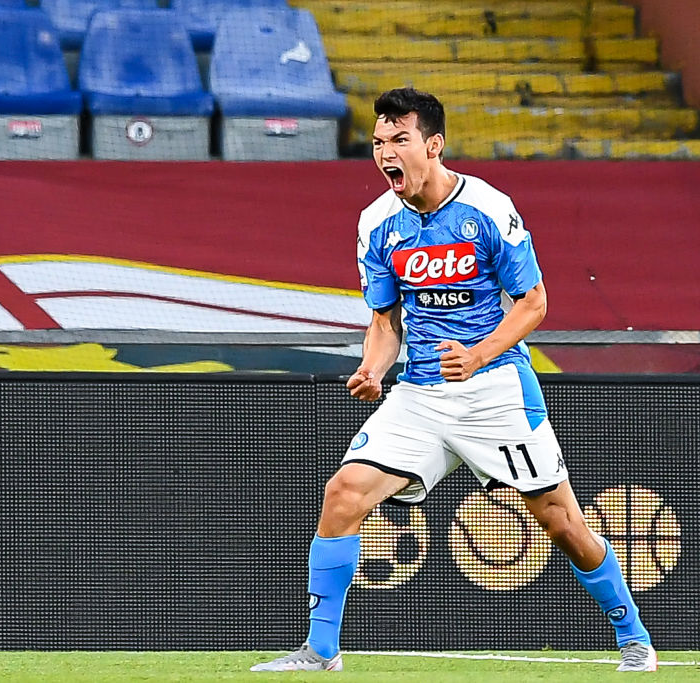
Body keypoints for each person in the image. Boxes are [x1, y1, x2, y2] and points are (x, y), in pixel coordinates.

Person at [251, 87, 657, 673]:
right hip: (420, 395)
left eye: (400, 140)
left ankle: (633, 636)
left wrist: (478, 354)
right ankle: (321, 650)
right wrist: (373, 367)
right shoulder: (376, 223)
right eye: (378, 143)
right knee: (343, 494)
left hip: (496, 390)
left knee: (561, 522)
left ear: (433, 144)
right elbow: (385, 320)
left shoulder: (490, 208)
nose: (387, 153)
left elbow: (534, 302)